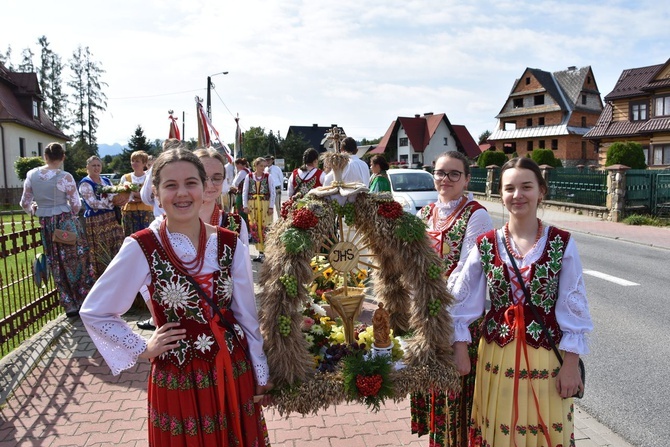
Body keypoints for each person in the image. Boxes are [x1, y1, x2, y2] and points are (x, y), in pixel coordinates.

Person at [79, 147, 272, 446]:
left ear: (204, 187)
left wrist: (260, 368)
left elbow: (247, 314)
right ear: (156, 193)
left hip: (233, 368)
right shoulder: (142, 246)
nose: (182, 193)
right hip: (178, 374)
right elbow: (95, 310)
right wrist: (142, 347)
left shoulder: (230, 243)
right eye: (171, 185)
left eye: (191, 183)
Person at [450, 157, 592, 447]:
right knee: (501, 430)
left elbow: (573, 307)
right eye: (509, 188)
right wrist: (460, 349)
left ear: (541, 191)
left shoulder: (561, 242)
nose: (517, 195)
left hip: (546, 356)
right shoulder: (486, 243)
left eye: (526, 186)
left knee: (546, 433)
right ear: (500, 196)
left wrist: (571, 365)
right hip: (496, 355)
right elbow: (464, 301)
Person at [410, 151, 493, 447]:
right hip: (429, 319)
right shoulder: (424, 213)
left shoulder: (476, 215)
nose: (445, 179)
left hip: (461, 320)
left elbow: (470, 276)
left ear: (467, 179)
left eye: (454, 173)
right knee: (437, 391)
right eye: (440, 172)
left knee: (459, 398)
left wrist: (453, 330)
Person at [19, 142, 95, 318]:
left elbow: (25, 202)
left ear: (45, 156)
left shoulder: (31, 175)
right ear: (62, 158)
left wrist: (34, 210)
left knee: (56, 263)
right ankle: (83, 299)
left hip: (46, 223)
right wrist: (69, 210)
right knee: (75, 260)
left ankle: (69, 305)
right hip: (65, 222)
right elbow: (76, 205)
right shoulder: (65, 177)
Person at [78, 156, 127, 278]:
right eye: (93, 165)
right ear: (87, 168)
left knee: (117, 243)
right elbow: (92, 203)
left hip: (111, 217)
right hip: (96, 220)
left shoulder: (105, 180)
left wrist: (120, 198)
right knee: (101, 248)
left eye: (98, 165)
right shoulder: (85, 183)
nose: (96, 168)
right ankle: (101, 275)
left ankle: (118, 273)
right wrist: (111, 203)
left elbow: (113, 194)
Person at [193, 148, 249, 243]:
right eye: (202, 178)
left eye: (217, 178)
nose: (209, 185)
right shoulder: (169, 224)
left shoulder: (236, 223)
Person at [242, 157, 275, 263]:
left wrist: (271, 206)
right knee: (255, 227)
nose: (263, 168)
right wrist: (245, 205)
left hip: (264, 204)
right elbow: (245, 191)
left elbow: (272, 192)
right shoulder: (249, 176)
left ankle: (267, 252)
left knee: (266, 227)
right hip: (252, 205)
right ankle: (260, 253)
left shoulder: (268, 177)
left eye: (264, 166)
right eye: (261, 166)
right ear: (255, 165)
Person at [120, 150, 153, 236]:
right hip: (129, 212)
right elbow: (122, 196)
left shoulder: (149, 177)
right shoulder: (125, 177)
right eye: (132, 161)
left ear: (144, 163)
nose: (134, 163)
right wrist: (140, 197)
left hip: (146, 211)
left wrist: (133, 193)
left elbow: (150, 196)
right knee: (131, 236)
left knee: (147, 236)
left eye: (137, 161)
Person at [230, 158, 252, 229]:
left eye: (236, 165)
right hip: (248, 193)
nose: (236, 167)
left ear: (239, 164)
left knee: (241, 211)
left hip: (241, 193)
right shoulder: (248, 170)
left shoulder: (242, 172)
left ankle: (243, 227)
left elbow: (235, 183)